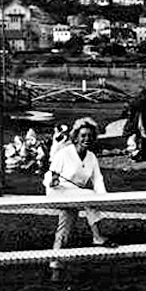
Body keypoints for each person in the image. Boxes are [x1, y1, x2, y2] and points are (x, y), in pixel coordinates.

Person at [45, 117, 116, 277]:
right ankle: (97, 236)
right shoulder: (64, 153)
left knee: (65, 227)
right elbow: (51, 174)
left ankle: (55, 266)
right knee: (89, 196)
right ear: (76, 137)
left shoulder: (91, 157)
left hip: (76, 195)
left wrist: (103, 197)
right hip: (58, 192)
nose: (86, 139)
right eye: (83, 135)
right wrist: (53, 181)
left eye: (90, 136)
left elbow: (98, 179)